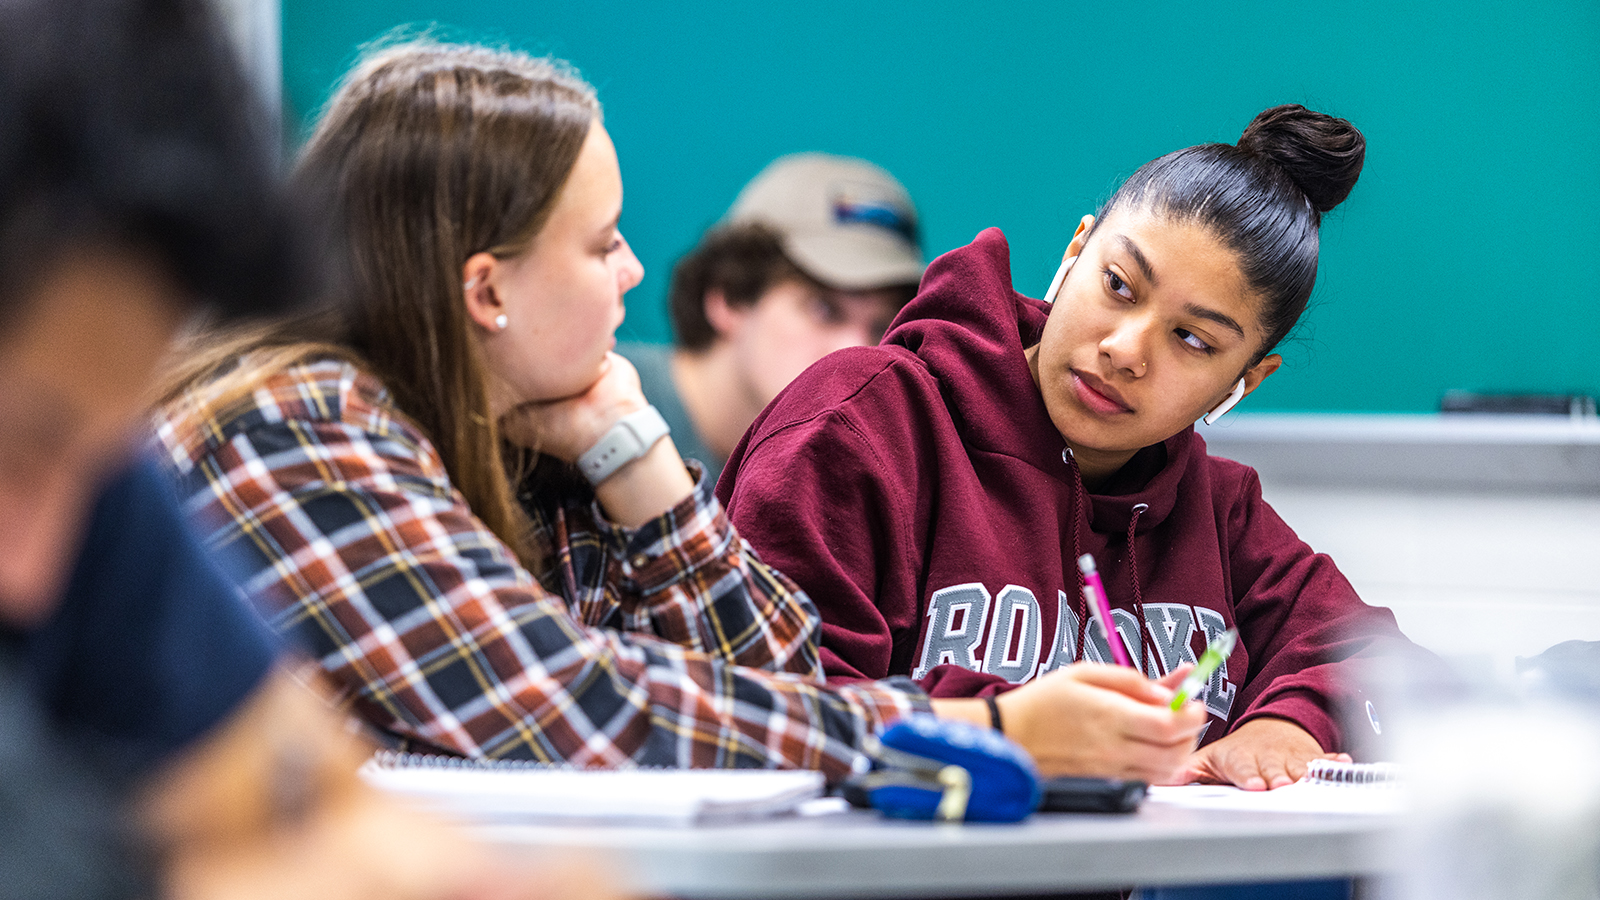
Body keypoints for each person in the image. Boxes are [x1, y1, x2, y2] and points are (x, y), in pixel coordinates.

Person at [155, 41, 1207, 784]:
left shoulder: (537, 431)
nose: (632, 270)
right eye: (602, 241)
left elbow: (772, 680)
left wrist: (635, 460)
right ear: (487, 292)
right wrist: (990, 731)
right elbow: (576, 710)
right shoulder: (296, 433)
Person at [0, 1, 620, 898]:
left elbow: (307, 795)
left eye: (88, 455)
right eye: (19, 447)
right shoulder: (297, 422)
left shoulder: (96, 493)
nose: (36, 567)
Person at [721, 105, 1419, 790]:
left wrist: (1292, 727)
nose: (1124, 350)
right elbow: (758, 716)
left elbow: (1376, 661)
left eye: (1193, 340)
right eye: (1118, 286)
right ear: (1075, 251)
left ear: (1243, 380)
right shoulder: (859, 425)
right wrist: (1007, 728)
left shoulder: (1219, 512)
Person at [620, 153, 924, 482]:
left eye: (882, 327)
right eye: (824, 309)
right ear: (730, 298)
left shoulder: (851, 477)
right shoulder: (587, 417)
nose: (859, 349)